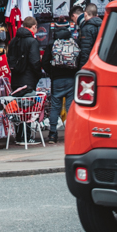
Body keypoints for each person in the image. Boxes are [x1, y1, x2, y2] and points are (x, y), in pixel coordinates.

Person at [42, 13, 79, 141]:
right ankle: (72, 133)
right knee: (70, 107)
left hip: (56, 79)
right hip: (71, 79)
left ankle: (52, 133)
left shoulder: (52, 43)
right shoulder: (74, 42)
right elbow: (80, 59)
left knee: (55, 107)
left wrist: (52, 73)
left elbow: (45, 62)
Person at [8, 16, 42, 96]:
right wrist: (39, 74)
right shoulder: (32, 42)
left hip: (15, 81)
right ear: (34, 27)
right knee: (29, 106)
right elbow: (35, 62)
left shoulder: (13, 41)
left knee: (17, 107)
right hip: (28, 81)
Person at [75, 2, 102, 69]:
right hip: (102, 63)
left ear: (85, 14)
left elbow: (85, 51)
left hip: (91, 64)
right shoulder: (104, 26)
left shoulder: (86, 28)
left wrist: (82, 68)